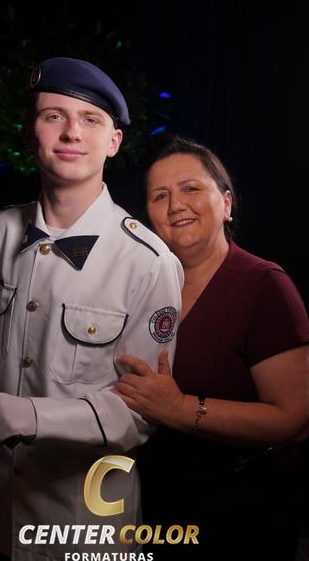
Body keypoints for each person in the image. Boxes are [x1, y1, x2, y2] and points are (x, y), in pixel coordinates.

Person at [0, 59, 184, 560]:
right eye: (53, 116)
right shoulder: (1, 229)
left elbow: (140, 412)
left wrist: (31, 415)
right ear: (30, 133)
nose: (71, 132)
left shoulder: (149, 262)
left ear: (114, 142)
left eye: (90, 119)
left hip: (85, 533)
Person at [113, 133, 309, 561]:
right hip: (154, 510)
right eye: (160, 195)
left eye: (190, 189)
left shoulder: (265, 286)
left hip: (241, 519)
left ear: (226, 204)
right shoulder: (142, 288)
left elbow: (295, 420)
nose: (175, 205)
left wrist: (180, 409)